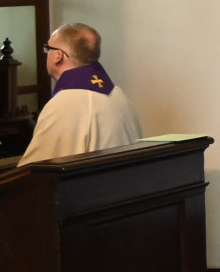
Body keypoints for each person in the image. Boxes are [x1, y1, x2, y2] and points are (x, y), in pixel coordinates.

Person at [19, 22, 142, 165]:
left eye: (48, 48)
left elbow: (36, 168)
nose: (46, 54)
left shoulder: (64, 105)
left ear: (58, 55)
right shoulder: (119, 95)